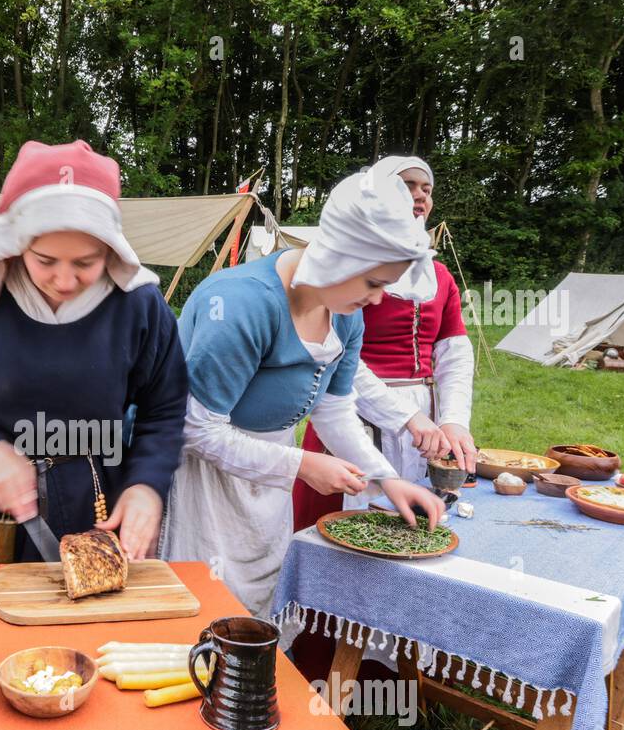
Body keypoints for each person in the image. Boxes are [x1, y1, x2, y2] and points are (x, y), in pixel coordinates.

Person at [160, 168, 446, 616]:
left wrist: (386, 478)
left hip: (267, 475)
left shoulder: (346, 314)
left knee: (256, 600)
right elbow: (196, 429)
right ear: (339, 257)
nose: (377, 301)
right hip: (206, 480)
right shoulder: (241, 304)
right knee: (203, 603)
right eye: (373, 284)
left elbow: (334, 410)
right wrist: (301, 465)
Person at [0, 139, 188, 568]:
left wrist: (147, 484)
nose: (66, 280)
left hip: (94, 501)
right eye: (46, 260)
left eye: (86, 262)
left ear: (110, 248)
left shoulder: (139, 304)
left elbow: (163, 410)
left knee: (90, 630)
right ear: (18, 242)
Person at [293, 155, 477, 533]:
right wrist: (403, 416)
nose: (419, 195)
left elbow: (454, 353)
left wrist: (453, 421)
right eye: (408, 185)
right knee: (340, 528)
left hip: (423, 421)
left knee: (411, 521)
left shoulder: (440, 276)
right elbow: (340, 355)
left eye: (426, 189)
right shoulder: (349, 273)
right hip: (353, 410)